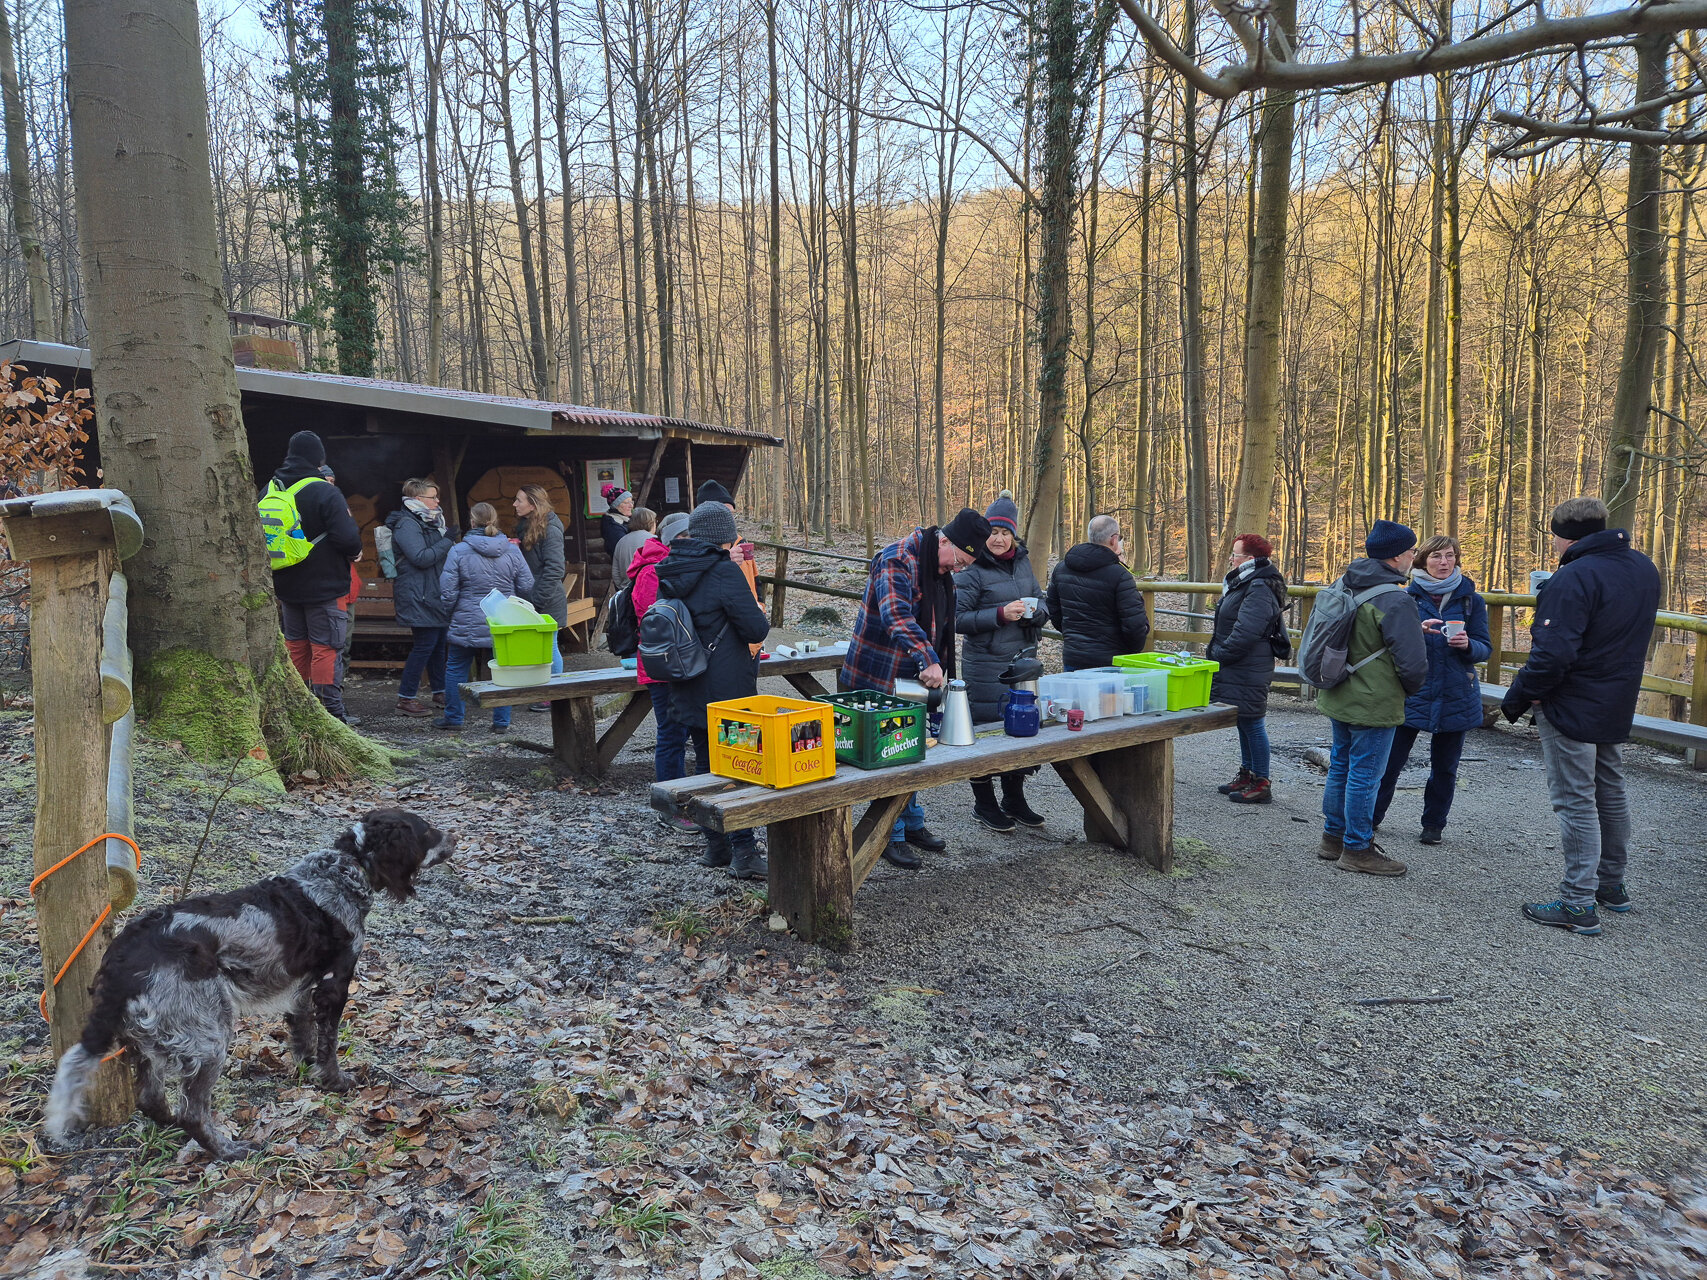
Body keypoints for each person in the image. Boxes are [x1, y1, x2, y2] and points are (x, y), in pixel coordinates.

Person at [1502, 497, 1661, 936]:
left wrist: (1518, 698)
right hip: (1616, 697)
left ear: (1564, 536)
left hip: (1572, 703)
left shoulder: (1573, 577)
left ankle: (1576, 902)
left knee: (1575, 799)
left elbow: (1552, 655)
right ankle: (1611, 885)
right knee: (1609, 790)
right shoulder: (1643, 568)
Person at [842, 507, 991, 867]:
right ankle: (887, 836)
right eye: (957, 561)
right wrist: (929, 658)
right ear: (944, 540)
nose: (956, 570)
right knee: (890, 755)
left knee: (912, 750)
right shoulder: (896, 559)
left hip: (911, 680)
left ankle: (910, 823)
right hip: (877, 676)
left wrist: (936, 662)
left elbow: (941, 621)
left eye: (963, 566)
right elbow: (897, 615)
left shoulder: (937, 568)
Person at [655, 502, 772, 877]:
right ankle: (744, 852)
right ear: (725, 536)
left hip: (687, 680)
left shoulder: (672, 567)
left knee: (706, 765)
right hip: (728, 689)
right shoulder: (724, 570)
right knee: (739, 766)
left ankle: (715, 845)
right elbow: (755, 629)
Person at [1316, 520, 1429, 877]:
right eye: (1412, 550)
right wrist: (1409, 690)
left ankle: (1332, 838)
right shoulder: (1395, 598)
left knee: (1341, 766)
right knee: (1365, 774)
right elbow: (1412, 662)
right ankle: (1358, 848)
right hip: (1374, 699)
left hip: (1339, 691)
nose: (1414, 556)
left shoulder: (1346, 582)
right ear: (1397, 556)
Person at [1370, 535, 1492, 844]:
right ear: (1423, 561)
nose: (1444, 562)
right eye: (1437, 556)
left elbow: (1484, 647)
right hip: (1413, 690)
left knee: (1445, 768)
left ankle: (1433, 826)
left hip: (1456, 692)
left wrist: (1468, 646)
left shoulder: (1471, 600)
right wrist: (1416, 633)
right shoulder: (1405, 597)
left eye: (1450, 556)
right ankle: (1371, 818)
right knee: (1390, 763)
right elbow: (1385, 642)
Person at [954, 492, 1048, 831]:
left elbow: (1040, 597)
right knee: (986, 732)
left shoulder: (1022, 561)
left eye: (1005, 532)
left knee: (1020, 732)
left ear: (1014, 535)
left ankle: (1014, 798)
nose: (998, 538)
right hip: (985, 665)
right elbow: (956, 617)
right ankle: (984, 803)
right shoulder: (971, 566)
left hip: (1023, 661)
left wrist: (1038, 613)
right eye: (993, 531)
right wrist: (999, 614)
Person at [266, 431, 362, 721]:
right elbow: (348, 540)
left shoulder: (271, 489)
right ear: (318, 457)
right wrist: (354, 551)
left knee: (296, 646)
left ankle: (296, 708)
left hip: (286, 584)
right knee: (326, 649)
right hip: (324, 586)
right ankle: (329, 714)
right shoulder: (325, 491)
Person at [436, 502, 533, 734]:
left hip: (466, 617)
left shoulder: (458, 550)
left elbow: (448, 592)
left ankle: (454, 719)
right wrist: (511, 599)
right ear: (495, 521)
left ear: (472, 522)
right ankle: (501, 722)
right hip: (503, 620)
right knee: (504, 669)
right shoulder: (512, 549)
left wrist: (452, 612)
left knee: (456, 668)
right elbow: (527, 584)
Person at [1207, 533, 1288, 806]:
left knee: (1253, 722)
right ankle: (1247, 773)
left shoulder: (1260, 585)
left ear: (1250, 559)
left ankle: (1261, 782)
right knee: (1243, 719)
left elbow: (1247, 630)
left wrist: (1221, 653)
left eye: (1235, 554)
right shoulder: (1245, 581)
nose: (1231, 558)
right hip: (1240, 662)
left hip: (1249, 663)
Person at [631, 510, 698, 825]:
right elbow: (655, 620)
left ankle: (686, 800)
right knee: (671, 735)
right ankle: (670, 808)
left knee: (682, 731)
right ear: (676, 539)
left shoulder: (675, 565)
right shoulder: (651, 571)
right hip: (662, 666)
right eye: (687, 536)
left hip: (682, 663)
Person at [386, 478, 456, 717]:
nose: (437, 501)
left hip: (431, 592)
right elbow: (420, 557)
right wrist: (447, 541)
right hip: (418, 594)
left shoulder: (430, 521)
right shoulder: (407, 524)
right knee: (425, 645)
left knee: (437, 645)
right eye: (432, 497)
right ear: (417, 500)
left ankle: (440, 691)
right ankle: (406, 698)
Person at [1045, 515, 1150, 670]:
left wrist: (1072, 635)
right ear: (1114, 540)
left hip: (1073, 656)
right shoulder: (1120, 575)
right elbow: (1135, 625)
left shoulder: (1061, 569)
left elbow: (1053, 609)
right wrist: (1131, 651)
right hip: (1111, 661)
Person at [512, 485, 568, 691]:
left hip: (546, 598)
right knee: (534, 648)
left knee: (549, 646)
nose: (514, 504)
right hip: (531, 596)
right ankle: (539, 690)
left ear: (533, 505)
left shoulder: (551, 529)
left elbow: (554, 569)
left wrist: (536, 600)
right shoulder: (526, 526)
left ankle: (553, 695)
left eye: (519, 500)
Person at [612, 507, 658, 587]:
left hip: (626, 590)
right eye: (655, 521)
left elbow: (615, 573)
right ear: (650, 523)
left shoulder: (621, 541)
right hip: (647, 591)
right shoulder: (653, 540)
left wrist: (623, 588)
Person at [599, 483, 634, 557]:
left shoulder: (624, 520)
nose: (631, 506)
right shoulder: (613, 526)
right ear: (616, 506)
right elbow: (623, 551)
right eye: (626, 503)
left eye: (631, 502)